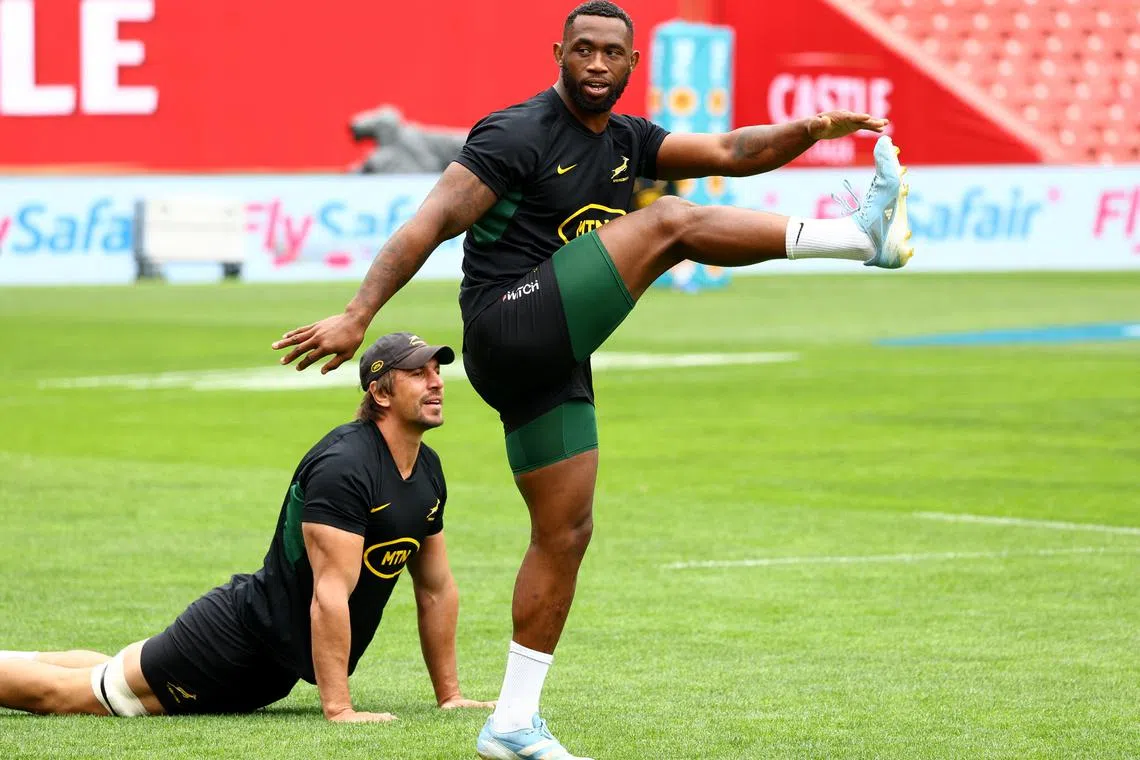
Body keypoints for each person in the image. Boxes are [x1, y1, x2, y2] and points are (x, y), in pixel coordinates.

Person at [272, 2, 913, 756]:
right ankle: (857, 238)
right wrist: (357, 315)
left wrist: (808, 132)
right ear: (559, 54)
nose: (598, 64)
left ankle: (511, 721)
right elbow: (429, 223)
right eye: (583, 50)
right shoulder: (516, 132)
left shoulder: (631, 139)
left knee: (566, 531)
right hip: (506, 327)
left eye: (612, 53)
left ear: (632, 65)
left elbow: (734, 149)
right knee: (669, 222)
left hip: (552, 359)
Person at [0, 332, 492, 723]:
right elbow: (329, 595)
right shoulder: (346, 466)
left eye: (437, 370)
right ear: (380, 393)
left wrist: (449, 696)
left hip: (271, 666)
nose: (437, 381)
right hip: (233, 642)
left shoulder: (426, 469)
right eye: (418, 373)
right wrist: (340, 709)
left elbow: (435, 589)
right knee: (79, 696)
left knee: (112, 672)